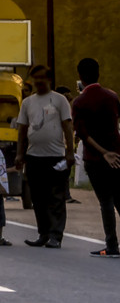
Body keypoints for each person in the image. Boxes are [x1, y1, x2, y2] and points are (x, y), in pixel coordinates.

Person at [15, 64, 74, 248]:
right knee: (38, 198)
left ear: (49, 79)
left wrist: (70, 152)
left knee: (56, 197)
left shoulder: (60, 100)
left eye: (42, 77)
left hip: (55, 156)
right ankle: (43, 233)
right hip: (34, 156)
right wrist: (19, 154)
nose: (38, 81)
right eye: (35, 78)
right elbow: (22, 130)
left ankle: (56, 235)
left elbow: (67, 126)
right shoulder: (27, 102)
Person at [71, 57, 120, 258]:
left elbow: (83, 134)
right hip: (117, 156)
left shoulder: (80, 102)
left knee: (106, 202)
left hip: (95, 158)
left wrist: (103, 153)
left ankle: (112, 244)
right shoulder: (112, 96)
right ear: (98, 73)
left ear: (81, 76)